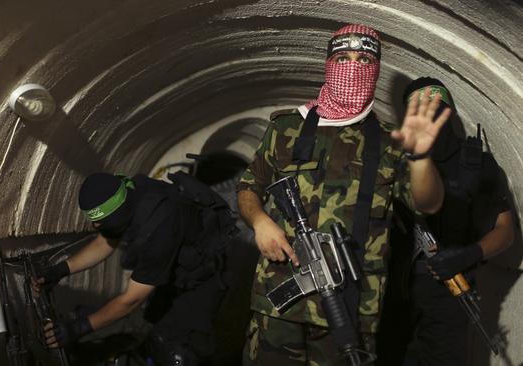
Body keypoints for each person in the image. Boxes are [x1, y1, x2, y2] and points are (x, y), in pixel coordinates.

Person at [236, 24, 450, 365]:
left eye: (364, 59)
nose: (352, 67)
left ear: (376, 70)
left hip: (350, 307)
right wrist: (259, 220)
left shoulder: (389, 144)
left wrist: (420, 157)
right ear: (328, 64)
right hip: (279, 303)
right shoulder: (287, 128)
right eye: (342, 57)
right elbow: (249, 186)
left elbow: (429, 203)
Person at [377, 77, 515, 366]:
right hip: (391, 291)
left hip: (448, 292)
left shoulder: (476, 163)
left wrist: (469, 253)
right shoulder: (392, 158)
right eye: (420, 111)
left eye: (437, 109)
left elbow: (506, 231)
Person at [35, 171, 237, 365]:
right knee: (155, 331)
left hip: (203, 278)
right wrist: (61, 269)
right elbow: (104, 242)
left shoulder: (158, 229)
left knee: (179, 351)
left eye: (99, 222)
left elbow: (131, 300)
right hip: (176, 268)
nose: (95, 227)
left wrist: (78, 328)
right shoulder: (129, 192)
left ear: (116, 214)